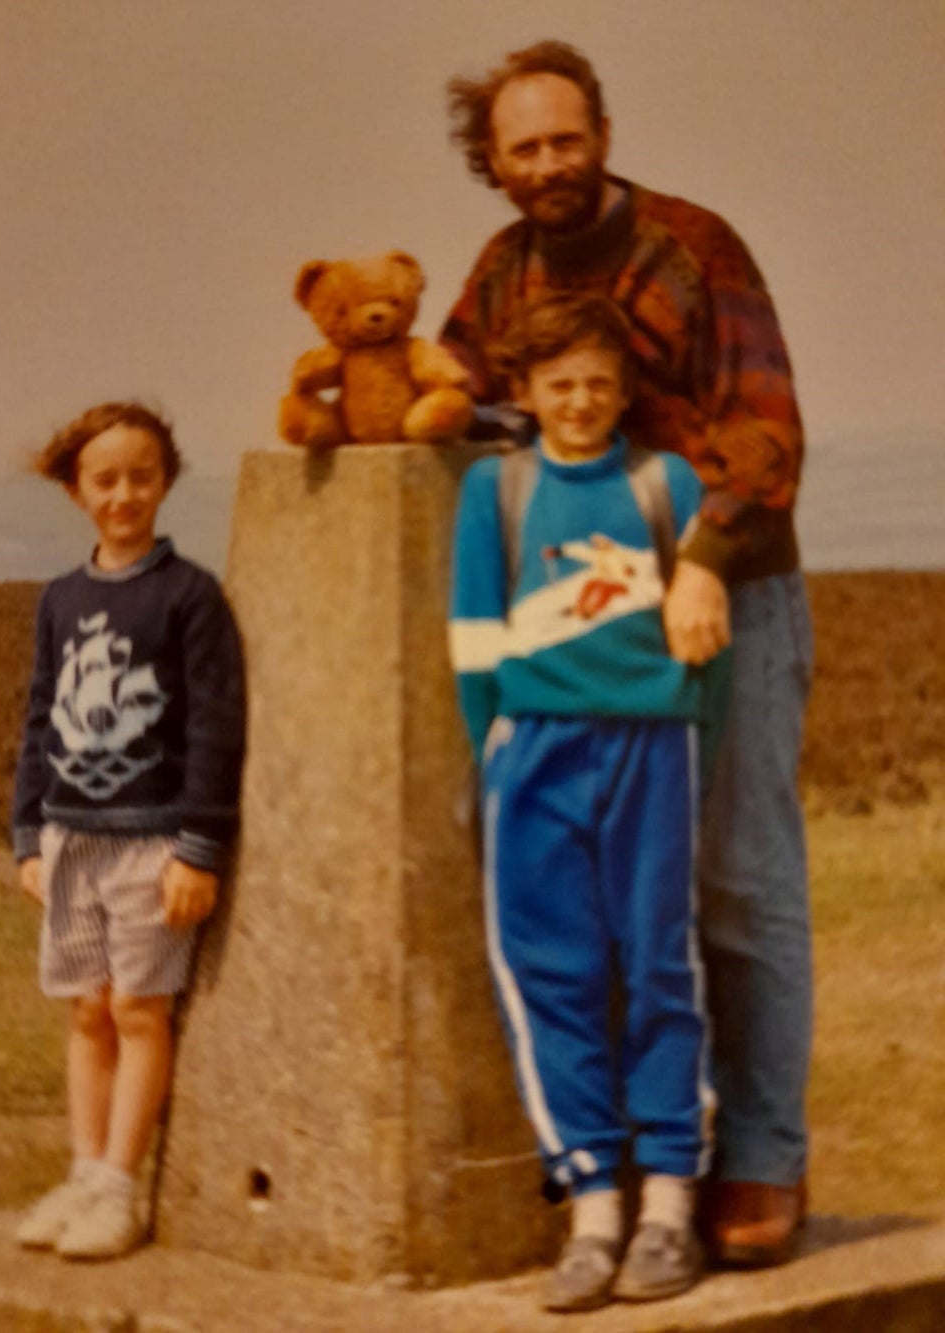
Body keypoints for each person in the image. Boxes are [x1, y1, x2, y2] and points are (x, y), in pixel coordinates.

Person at [442, 40, 813, 1268]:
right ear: (491, 164)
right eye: (522, 147)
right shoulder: (504, 272)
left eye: (565, 137)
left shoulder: (692, 244)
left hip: (727, 590)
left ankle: (756, 1151)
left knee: (738, 885)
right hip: (586, 635)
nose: (549, 163)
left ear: (600, 130)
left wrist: (702, 556)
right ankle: (645, 1169)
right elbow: (452, 386)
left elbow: (764, 428)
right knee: (615, 917)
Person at [449, 292, 728, 1310]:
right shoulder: (498, 487)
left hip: (653, 745)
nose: (578, 402)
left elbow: (710, 642)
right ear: (522, 391)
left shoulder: (668, 481)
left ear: (625, 390)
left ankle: (666, 1200)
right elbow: (473, 633)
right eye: (558, 385)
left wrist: (693, 727)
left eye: (598, 385)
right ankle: (591, 1203)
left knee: (657, 957)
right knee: (548, 968)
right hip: (534, 753)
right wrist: (491, 749)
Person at [11, 402, 246, 1261]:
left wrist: (197, 846)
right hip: (73, 838)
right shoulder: (61, 599)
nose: (124, 494)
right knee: (86, 1010)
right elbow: (41, 719)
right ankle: (82, 1173)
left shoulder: (189, 595)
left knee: (139, 1009)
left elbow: (218, 724)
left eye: (141, 476)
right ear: (76, 489)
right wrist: (28, 834)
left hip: (152, 841)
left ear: (167, 481)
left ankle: (120, 1185)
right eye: (105, 479)